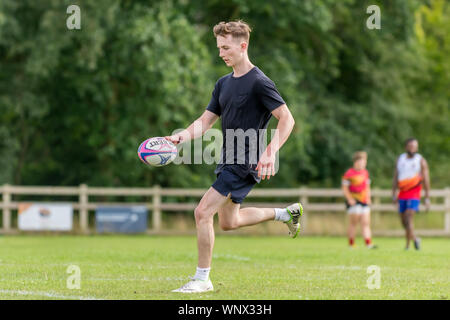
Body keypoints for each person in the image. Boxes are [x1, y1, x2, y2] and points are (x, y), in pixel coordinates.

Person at [165, 21, 302, 293]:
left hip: (245, 160)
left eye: (225, 47)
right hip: (228, 158)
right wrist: (181, 137)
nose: (221, 53)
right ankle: (285, 213)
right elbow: (205, 121)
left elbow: (287, 118)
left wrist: (270, 151)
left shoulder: (260, 82)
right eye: (218, 48)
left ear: (243, 45)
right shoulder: (223, 83)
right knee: (229, 222)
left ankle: (202, 279)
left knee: (202, 212)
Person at [392, 138, 430, 250]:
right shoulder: (400, 159)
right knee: (404, 222)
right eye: (411, 146)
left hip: (414, 193)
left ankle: (407, 245)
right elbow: (395, 177)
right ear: (406, 147)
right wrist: (393, 193)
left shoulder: (420, 160)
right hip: (402, 193)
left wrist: (427, 198)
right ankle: (415, 239)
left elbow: (426, 179)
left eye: (415, 147)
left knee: (409, 218)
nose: (413, 149)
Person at [341, 151, 376, 249]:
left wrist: (368, 198)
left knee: (366, 223)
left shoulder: (365, 173)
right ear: (355, 162)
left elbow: (367, 187)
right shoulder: (349, 173)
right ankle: (351, 244)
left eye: (364, 162)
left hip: (364, 201)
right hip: (354, 202)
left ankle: (368, 243)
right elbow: (344, 188)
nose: (363, 164)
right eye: (361, 162)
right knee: (353, 223)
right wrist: (350, 199)